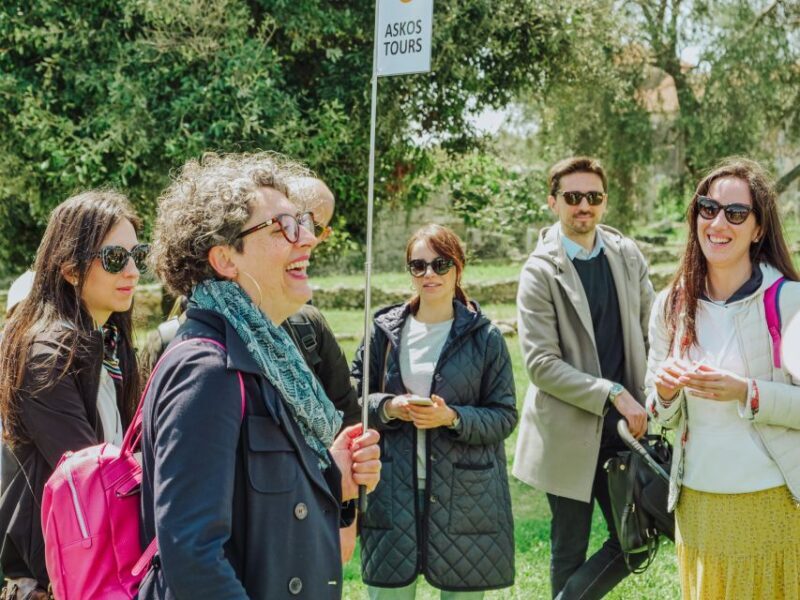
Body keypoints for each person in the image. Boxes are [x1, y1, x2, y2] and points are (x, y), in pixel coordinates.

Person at [139, 152, 381, 599]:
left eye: (302, 222)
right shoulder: (205, 369)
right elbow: (192, 556)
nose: (306, 238)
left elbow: (258, 506)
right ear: (226, 259)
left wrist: (334, 476)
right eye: (282, 227)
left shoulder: (263, 353)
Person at [646, 158, 800, 599]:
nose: (718, 222)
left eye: (735, 213)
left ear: (758, 230)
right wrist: (664, 390)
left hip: (774, 502)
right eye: (708, 208)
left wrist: (747, 393)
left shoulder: (789, 303)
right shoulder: (670, 306)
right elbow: (661, 415)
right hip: (699, 506)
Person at [513, 156, 655, 599]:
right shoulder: (538, 272)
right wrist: (612, 392)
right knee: (568, 547)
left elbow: (654, 329)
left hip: (625, 430)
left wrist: (654, 392)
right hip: (568, 433)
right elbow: (541, 364)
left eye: (593, 197)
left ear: (604, 202)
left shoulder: (627, 254)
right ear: (553, 202)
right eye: (573, 197)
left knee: (634, 541)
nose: (584, 206)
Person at [352, 224, 517, 599]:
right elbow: (351, 400)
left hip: (466, 496)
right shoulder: (382, 331)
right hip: (391, 490)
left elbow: (505, 415)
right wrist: (389, 407)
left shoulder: (485, 336)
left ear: (458, 268)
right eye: (418, 265)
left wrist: (453, 418)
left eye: (440, 264)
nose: (429, 274)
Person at [0, 191, 145, 599]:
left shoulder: (111, 343)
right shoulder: (46, 354)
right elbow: (96, 477)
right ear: (68, 268)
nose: (133, 271)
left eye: (139, 255)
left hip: (107, 565)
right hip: (56, 580)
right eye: (116, 258)